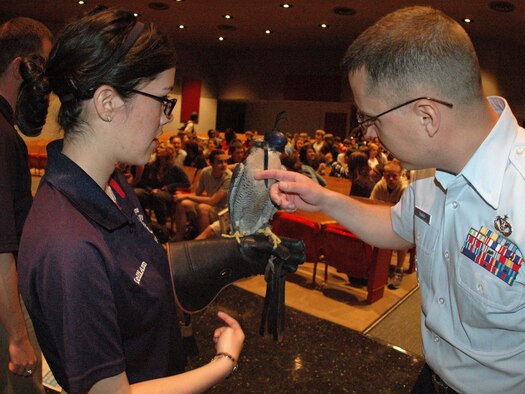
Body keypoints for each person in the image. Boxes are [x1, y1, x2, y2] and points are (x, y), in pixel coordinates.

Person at [257, 6, 525, 393]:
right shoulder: (430, 168)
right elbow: (398, 227)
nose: (370, 137)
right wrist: (324, 200)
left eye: (372, 121)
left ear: (426, 116)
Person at [14, 8, 303, 394]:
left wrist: (233, 255)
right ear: (108, 103)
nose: (168, 117)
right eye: (163, 99)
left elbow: (139, 270)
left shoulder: (110, 183)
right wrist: (224, 363)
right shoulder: (68, 247)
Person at [0, 17, 52, 394]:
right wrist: (18, 337)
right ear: (20, 67)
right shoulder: (3, 138)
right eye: (42, 66)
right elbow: (1, 248)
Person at [174, 149, 232, 240]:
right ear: (211, 163)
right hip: (210, 204)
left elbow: (213, 201)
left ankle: (203, 242)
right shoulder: (205, 172)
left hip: (224, 210)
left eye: (225, 161)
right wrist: (182, 195)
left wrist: (186, 195)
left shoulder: (229, 177)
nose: (224, 165)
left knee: (202, 208)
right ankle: (178, 239)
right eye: (220, 162)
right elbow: (197, 193)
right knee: (182, 204)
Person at [369, 161, 408, 289]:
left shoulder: (405, 189)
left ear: (400, 175)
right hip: (384, 219)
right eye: (388, 176)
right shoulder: (380, 186)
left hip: (402, 223)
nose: (391, 179)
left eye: (394, 176)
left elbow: (405, 213)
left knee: (403, 237)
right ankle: (372, 264)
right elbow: (371, 204)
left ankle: (399, 269)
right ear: (384, 175)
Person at [134, 141, 191, 226]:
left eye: (161, 147)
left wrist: (169, 187)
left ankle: (162, 225)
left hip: (168, 193)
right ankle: (145, 221)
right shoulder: (151, 165)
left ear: (169, 151)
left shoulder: (175, 167)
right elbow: (144, 181)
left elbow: (186, 183)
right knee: (135, 193)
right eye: (158, 147)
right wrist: (151, 189)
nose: (158, 149)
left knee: (158, 196)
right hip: (151, 191)